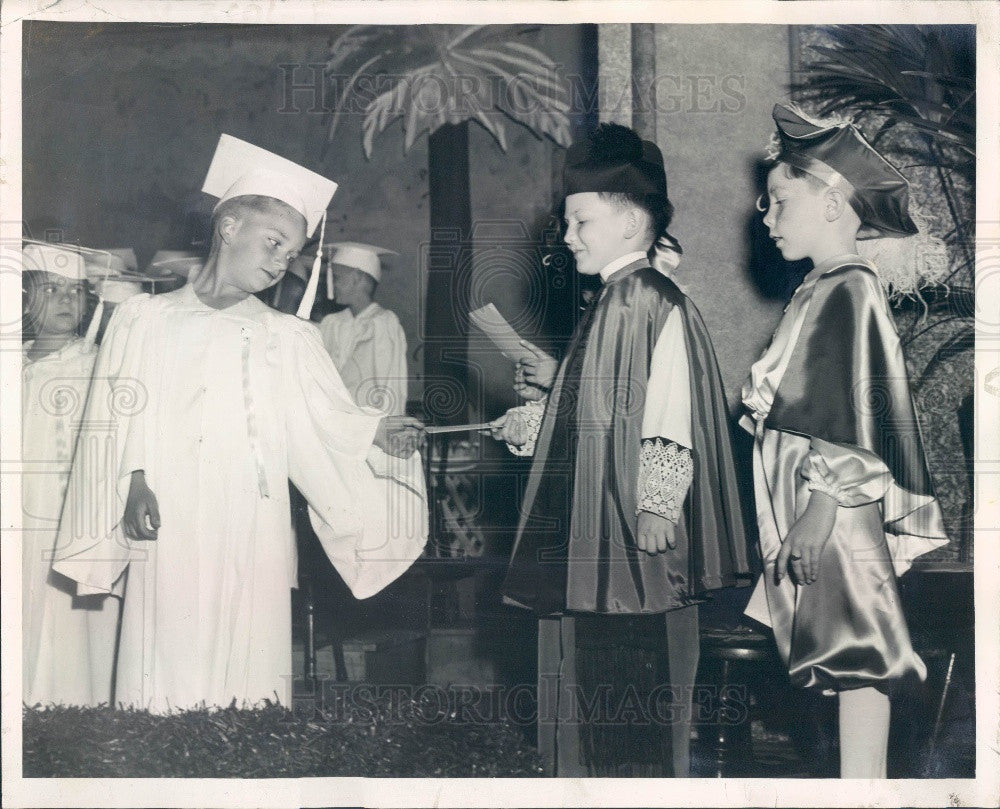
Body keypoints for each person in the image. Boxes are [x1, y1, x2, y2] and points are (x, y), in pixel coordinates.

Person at [52, 135, 427, 713]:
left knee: (247, 669)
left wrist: (378, 433)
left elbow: (327, 421)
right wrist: (131, 482)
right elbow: (115, 413)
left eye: (292, 253)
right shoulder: (142, 319)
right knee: (165, 659)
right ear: (228, 228)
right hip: (168, 510)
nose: (282, 261)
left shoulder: (289, 336)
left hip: (253, 515)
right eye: (274, 242)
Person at [490, 123, 749, 776]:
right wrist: (538, 425)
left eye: (581, 221)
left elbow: (670, 403)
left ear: (633, 223)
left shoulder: (646, 299)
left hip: (632, 540)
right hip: (599, 533)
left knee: (633, 691)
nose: (567, 236)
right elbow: (600, 411)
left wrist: (660, 501)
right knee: (596, 684)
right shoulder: (613, 300)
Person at [742, 104, 949, 778]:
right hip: (818, 502)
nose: (765, 217)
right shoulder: (823, 287)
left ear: (833, 202)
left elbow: (843, 411)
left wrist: (821, 507)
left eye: (778, 201)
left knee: (858, 653)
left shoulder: (847, 290)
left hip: (830, 508)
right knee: (839, 654)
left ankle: (866, 788)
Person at [21, 242, 119, 706]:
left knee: (66, 599)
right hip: (21, 505)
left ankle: (77, 702)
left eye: (76, 291)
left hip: (68, 501)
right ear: (23, 298)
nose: (66, 300)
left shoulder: (95, 363)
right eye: (52, 289)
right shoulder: (13, 364)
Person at [319, 243, 407, 415]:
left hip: (368, 427)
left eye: (337, 278)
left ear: (357, 277)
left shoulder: (383, 324)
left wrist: (387, 431)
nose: (333, 285)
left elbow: (390, 386)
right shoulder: (331, 323)